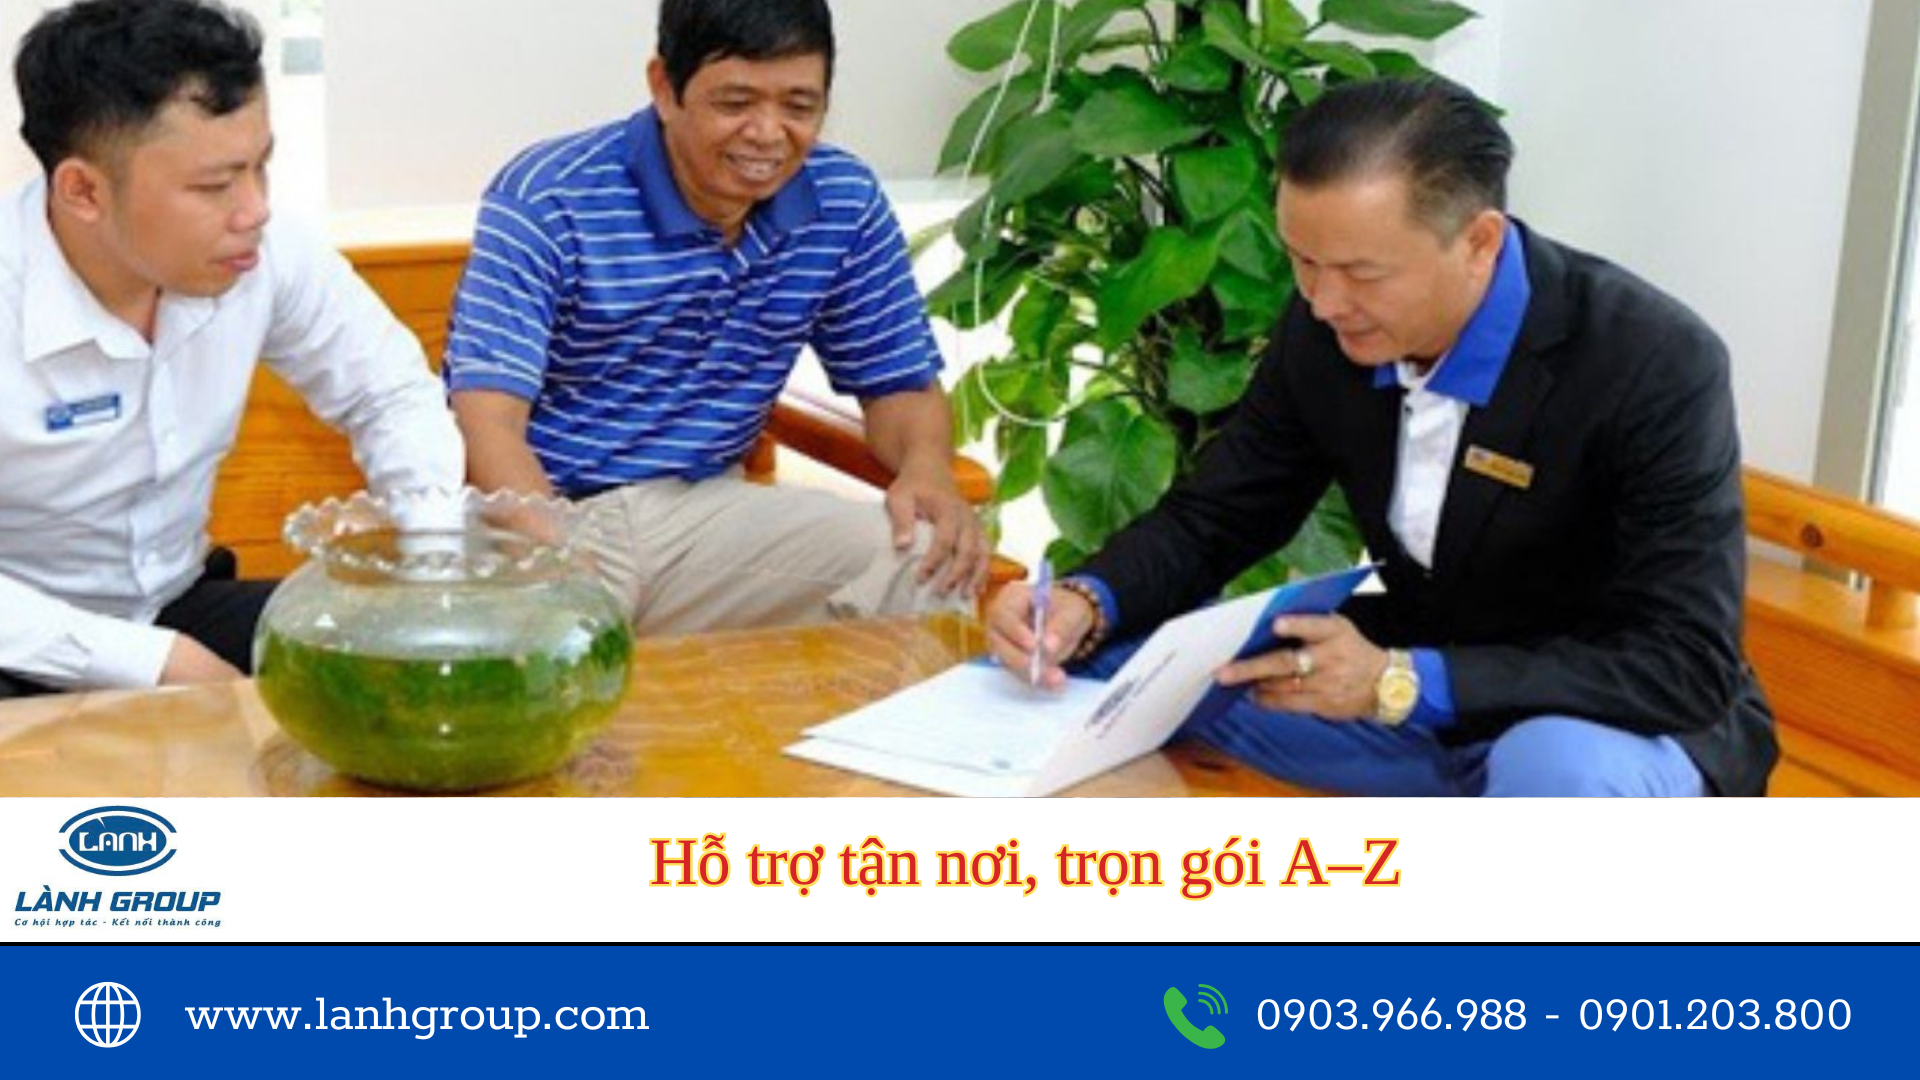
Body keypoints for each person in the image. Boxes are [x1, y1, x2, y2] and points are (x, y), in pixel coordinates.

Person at [986, 76, 1778, 797]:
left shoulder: (1653, 360)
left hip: (1596, 726)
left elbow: (1684, 663)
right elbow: (1219, 514)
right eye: (1302, 261)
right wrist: (1086, 602)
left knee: (1551, 771)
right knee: (1109, 669)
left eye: (1362, 273)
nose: (1324, 301)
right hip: (1406, 704)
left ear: (1479, 242)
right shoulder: (1327, 326)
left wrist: (1407, 682)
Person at [443, 0, 986, 636]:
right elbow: (488, 424)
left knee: (926, 560)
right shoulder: (548, 196)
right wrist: (558, 560)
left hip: (706, 517)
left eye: (799, 106)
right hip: (544, 517)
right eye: (735, 103)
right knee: (550, 658)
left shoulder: (843, 200)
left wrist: (927, 468)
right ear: (664, 87)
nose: (767, 134)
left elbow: (901, 387)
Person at [0, 0, 463, 697]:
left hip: (177, 604)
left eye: (260, 167)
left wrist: (432, 557)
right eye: (214, 185)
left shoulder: (265, 253)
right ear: (83, 191)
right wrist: (153, 663)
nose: (255, 209)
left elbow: (389, 393)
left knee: (418, 665)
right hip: (23, 637)